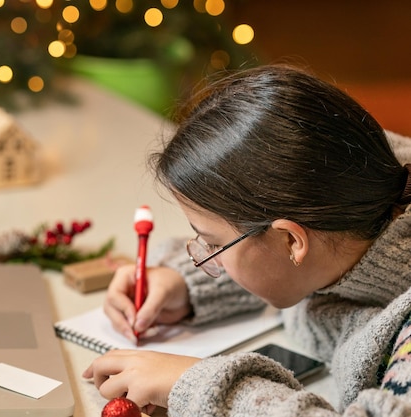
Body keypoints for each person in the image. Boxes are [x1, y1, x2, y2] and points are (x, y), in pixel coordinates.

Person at [82, 64, 411, 416]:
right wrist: (186, 282)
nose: (205, 261)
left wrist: (201, 387)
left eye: (212, 245)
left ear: (290, 241)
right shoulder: (363, 174)